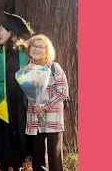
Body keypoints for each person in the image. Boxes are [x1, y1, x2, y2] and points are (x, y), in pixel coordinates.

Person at [0, 12, 34, 171]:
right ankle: (4, 163)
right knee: (4, 131)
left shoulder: (25, 52)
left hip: (19, 100)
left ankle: (17, 164)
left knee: (18, 131)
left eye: (1, 29)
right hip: (3, 99)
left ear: (11, 32)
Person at [24, 34, 69, 171]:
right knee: (38, 160)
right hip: (34, 120)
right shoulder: (26, 70)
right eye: (34, 46)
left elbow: (63, 92)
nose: (36, 49)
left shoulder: (54, 68)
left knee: (55, 161)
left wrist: (44, 107)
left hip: (52, 120)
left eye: (40, 46)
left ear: (46, 50)